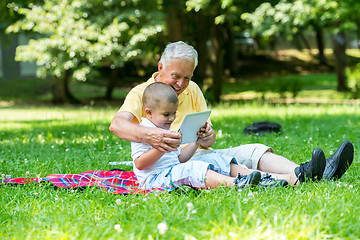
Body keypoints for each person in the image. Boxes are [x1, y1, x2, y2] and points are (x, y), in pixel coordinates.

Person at [110, 41, 354, 186]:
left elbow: (209, 140)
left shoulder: (192, 90)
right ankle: (301, 176)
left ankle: (306, 172)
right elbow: (117, 125)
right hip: (172, 163)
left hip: (192, 153)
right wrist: (152, 137)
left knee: (254, 150)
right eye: (176, 76)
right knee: (226, 163)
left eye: (188, 77)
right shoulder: (142, 93)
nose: (182, 83)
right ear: (161, 67)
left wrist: (206, 137)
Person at [131, 82, 266, 189]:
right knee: (192, 169)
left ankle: (261, 178)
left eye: (174, 113)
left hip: (172, 171)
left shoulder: (166, 128)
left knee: (212, 158)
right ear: (148, 113)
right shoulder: (143, 131)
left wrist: (196, 142)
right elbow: (139, 164)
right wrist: (162, 148)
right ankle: (237, 184)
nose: (172, 118)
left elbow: (180, 159)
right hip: (154, 180)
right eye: (166, 114)